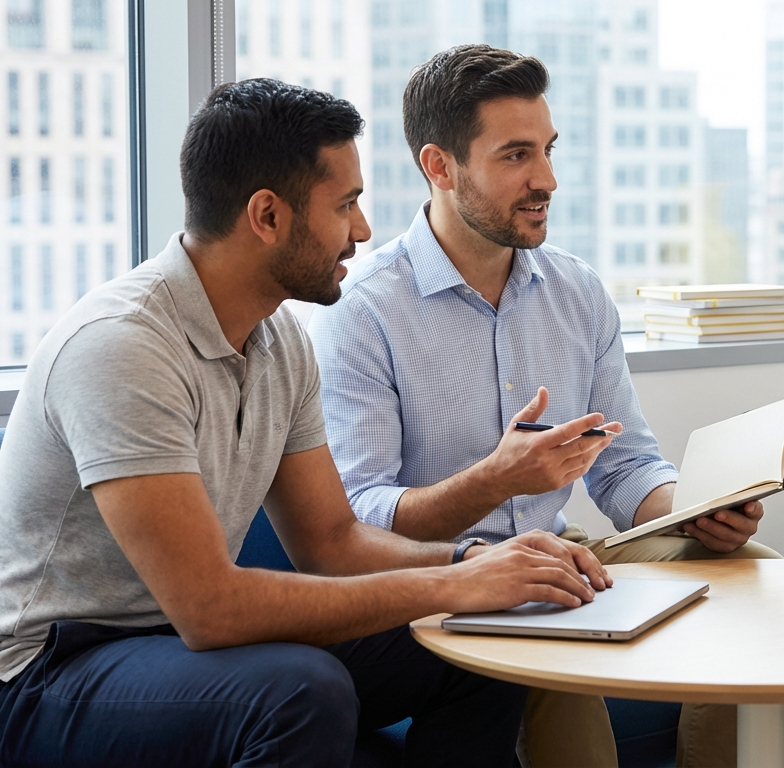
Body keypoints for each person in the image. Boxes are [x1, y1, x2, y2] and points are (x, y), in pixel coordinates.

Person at [0, 79, 616, 767]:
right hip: (52, 671)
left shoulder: (279, 340)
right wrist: (452, 581)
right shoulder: (123, 347)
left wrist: (474, 564)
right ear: (267, 215)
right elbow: (209, 610)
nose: (363, 229)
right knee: (300, 691)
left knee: (482, 638)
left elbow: (332, 542)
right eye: (346, 205)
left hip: (177, 646)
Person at [307, 44, 779, 768]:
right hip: (442, 576)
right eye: (516, 156)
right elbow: (361, 516)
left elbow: (625, 467)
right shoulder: (364, 311)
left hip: (563, 550)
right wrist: (494, 484)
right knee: (544, 601)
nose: (546, 180)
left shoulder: (576, 291)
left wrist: (695, 507)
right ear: (440, 166)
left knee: (750, 567)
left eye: (549, 150)